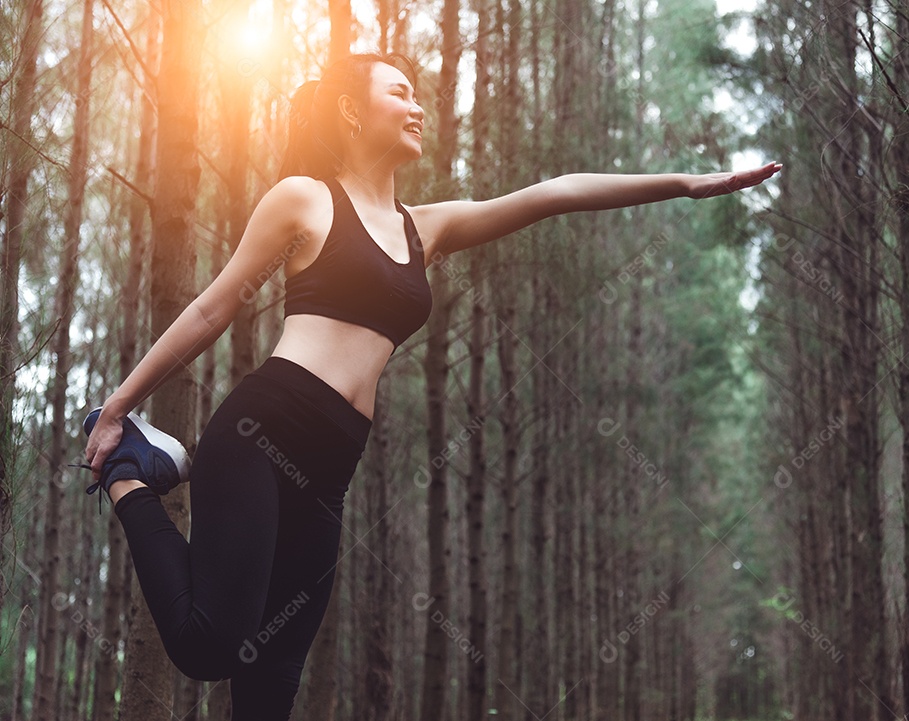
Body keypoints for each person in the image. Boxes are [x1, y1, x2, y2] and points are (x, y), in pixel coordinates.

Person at [75, 51, 781, 720]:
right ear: (351, 113)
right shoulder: (305, 199)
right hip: (263, 434)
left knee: (271, 684)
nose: (418, 107)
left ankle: (137, 465)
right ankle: (132, 472)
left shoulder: (425, 228)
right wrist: (118, 406)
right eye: (400, 93)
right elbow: (212, 306)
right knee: (208, 645)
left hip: (330, 472)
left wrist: (686, 185)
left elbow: (553, 194)